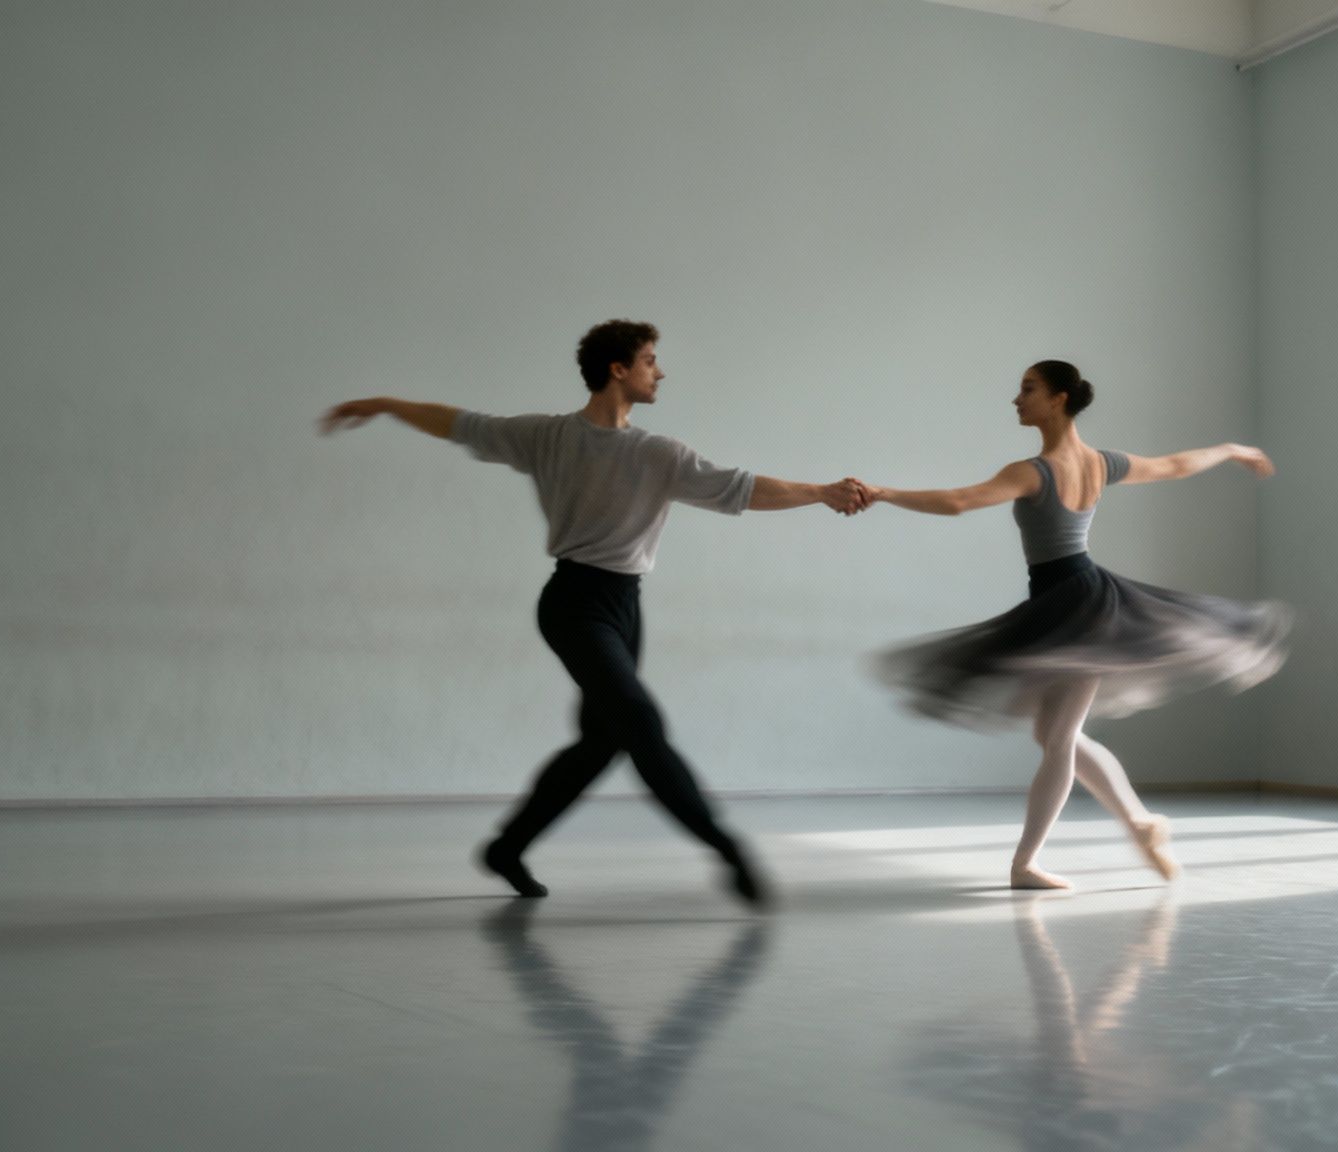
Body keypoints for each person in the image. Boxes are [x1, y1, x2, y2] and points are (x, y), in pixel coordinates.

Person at [319, 319, 866, 906]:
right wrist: (384, 403)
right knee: (639, 722)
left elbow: (743, 488)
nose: (660, 372)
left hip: (625, 608)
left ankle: (507, 847)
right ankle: (728, 851)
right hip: (575, 605)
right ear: (618, 369)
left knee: (602, 742)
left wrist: (822, 492)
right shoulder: (547, 436)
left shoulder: (660, 454)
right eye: (651, 360)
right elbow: (457, 423)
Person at [859, 360, 1288, 890]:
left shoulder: (1032, 472)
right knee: (1055, 733)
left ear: (1059, 398)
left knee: (1058, 737)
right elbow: (1175, 464)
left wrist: (881, 492)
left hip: (1077, 604)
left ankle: (1027, 862)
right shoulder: (1101, 463)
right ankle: (1140, 823)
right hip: (1072, 596)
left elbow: (959, 502)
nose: (1016, 399)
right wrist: (1232, 449)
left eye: (1028, 389)